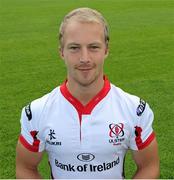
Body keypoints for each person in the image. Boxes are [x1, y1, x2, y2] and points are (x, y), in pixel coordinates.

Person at [16, 7, 160, 179]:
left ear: (106, 50)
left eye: (93, 47)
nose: (84, 58)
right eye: (74, 48)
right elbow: (25, 168)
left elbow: (149, 166)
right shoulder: (37, 112)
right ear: (61, 52)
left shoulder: (135, 109)